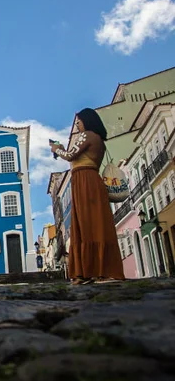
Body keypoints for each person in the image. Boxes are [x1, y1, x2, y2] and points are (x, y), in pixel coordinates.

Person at [50, 108, 125, 285]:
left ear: (87, 120)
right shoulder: (99, 140)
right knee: (97, 224)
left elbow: (70, 155)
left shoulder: (87, 135)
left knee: (85, 225)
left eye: (79, 122)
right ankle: (102, 269)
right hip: (91, 180)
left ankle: (88, 271)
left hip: (84, 182)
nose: (77, 125)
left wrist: (57, 149)